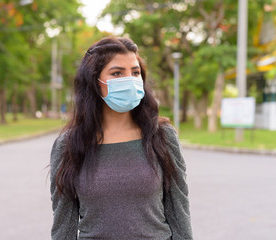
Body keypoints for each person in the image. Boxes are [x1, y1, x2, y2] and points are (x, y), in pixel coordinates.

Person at [50, 37, 193, 240]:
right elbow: (63, 227)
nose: (130, 79)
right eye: (117, 73)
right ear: (94, 80)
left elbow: (180, 211)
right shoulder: (68, 145)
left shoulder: (161, 135)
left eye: (135, 72)